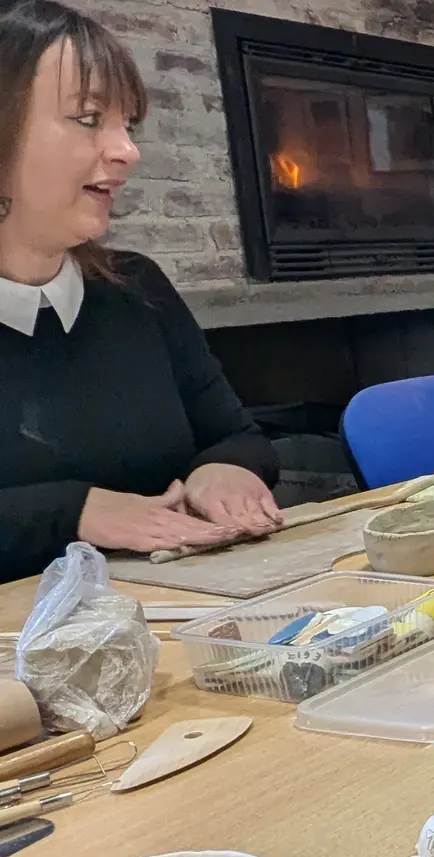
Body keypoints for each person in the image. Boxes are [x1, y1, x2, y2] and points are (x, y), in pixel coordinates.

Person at [0, 0, 281, 584]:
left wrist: (223, 470)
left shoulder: (137, 288)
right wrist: (74, 511)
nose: (127, 151)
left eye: (127, 125)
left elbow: (237, 435)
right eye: (87, 118)